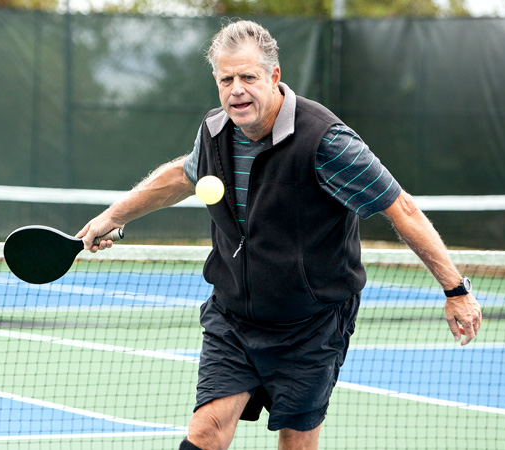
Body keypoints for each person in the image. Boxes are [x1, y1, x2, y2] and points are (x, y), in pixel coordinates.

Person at [77, 19, 482, 450]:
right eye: (226, 79)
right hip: (234, 315)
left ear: (273, 77)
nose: (236, 89)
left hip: (312, 323)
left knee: (296, 440)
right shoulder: (215, 131)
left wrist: (455, 289)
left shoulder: (325, 142)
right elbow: (181, 174)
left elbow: (400, 207)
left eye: (248, 77)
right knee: (206, 430)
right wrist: (112, 216)